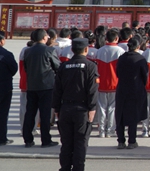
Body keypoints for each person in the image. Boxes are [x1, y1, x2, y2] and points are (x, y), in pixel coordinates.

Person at [52, 37, 98, 171]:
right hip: (82, 109)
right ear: (86, 49)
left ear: (72, 50)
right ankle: (78, 168)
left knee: (66, 142)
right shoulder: (90, 66)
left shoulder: (63, 66)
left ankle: (65, 167)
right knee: (80, 142)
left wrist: (57, 108)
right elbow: (92, 90)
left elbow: (57, 89)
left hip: (65, 108)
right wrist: (92, 107)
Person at [23, 28, 61, 147]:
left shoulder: (27, 51)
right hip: (46, 86)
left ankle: (28, 139)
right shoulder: (49, 50)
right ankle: (45, 140)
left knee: (30, 113)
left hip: (32, 86)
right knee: (45, 114)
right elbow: (57, 66)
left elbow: (26, 68)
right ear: (44, 37)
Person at [115, 37, 148, 149]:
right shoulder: (140, 59)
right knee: (133, 116)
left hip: (122, 88)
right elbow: (145, 76)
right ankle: (132, 141)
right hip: (135, 89)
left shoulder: (121, 58)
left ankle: (121, 141)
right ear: (138, 46)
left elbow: (117, 73)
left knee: (120, 115)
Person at [93, 29, 123, 138]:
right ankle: (110, 130)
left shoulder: (99, 51)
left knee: (101, 108)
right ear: (117, 38)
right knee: (112, 108)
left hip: (101, 83)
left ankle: (101, 131)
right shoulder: (120, 51)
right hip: (115, 83)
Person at [0, 30, 17, 146]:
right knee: (2, 114)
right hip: (4, 87)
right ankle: (1, 138)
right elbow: (13, 69)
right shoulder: (7, 54)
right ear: (2, 41)